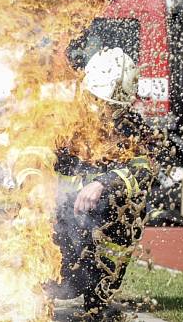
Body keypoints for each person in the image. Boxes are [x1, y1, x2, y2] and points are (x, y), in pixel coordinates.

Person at [51, 48, 155, 321]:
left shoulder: (133, 129)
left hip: (98, 227)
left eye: (114, 107)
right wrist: (29, 179)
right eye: (100, 102)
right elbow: (35, 154)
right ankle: (39, 287)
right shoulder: (65, 121)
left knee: (128, 206)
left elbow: (144, 173)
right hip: (59, 219)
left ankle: (98, 296)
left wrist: (104, 183)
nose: (106, 112)